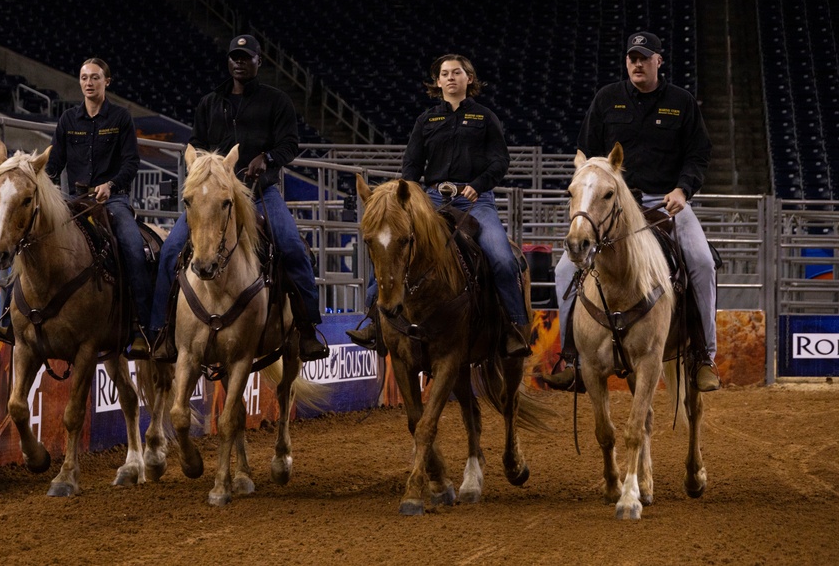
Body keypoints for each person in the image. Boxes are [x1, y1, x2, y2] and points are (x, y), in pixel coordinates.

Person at [543, 31, 720, 392]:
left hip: (663, 202)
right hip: (613, 204)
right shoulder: (607, 99)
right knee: (565, 268)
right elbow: (588, 152)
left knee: (701, 261)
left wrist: (682, 190)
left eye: (644, 57)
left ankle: (704, 356)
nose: (637, 63)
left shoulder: (681, 102)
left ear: (659, 60)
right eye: (631, 58)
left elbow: (698, 154)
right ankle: (572, 357)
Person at [149, 35, 328, 362]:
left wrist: (268, 159)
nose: (240, 63)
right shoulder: (209, 102)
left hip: (260, 193)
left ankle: (307, 329)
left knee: (290, 246)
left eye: (246, 57)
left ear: (259, 61)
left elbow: (290, 145)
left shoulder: (276, 101)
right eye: (235, 57)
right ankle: (160, 332)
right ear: (228, 61)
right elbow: (197, 144)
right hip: (213, 198)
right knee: (171, 250)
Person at [347, 54, 530, 357]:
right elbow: (412, 163)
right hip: (431, 199)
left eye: (456, 72)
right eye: (444, 74)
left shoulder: (485, 117)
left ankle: (513, 328)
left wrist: (479, 185)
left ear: (469, 79)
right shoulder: (427, 120)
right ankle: (373, 322)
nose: (450, 78)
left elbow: (500, 160)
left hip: (476, 200)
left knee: (501, 257)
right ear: (438, 82)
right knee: (389, 246)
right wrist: (404, 197)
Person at [0, 58, 152, 360]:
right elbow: (53, 165)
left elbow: (131, 162)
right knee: (28, 241)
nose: (89, 83)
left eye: (95, 77)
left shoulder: (120, 118)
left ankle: (142, 327)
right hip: (74, 200)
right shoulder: (69, 120)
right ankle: (6, 318)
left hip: (112, 200)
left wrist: (111, 185)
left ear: (107, 82)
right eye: (83, 78)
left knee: (132, 246)